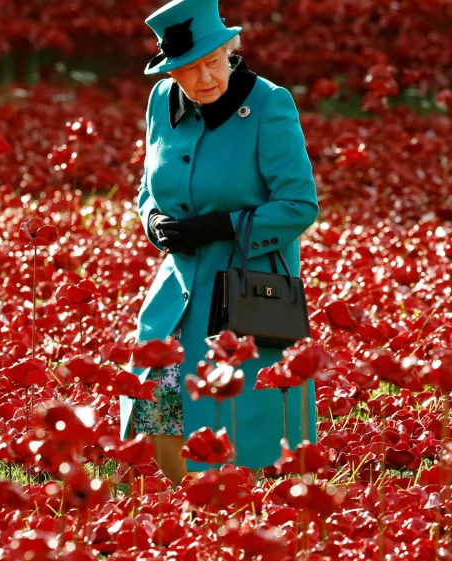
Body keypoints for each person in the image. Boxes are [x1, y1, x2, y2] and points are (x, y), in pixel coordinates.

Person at [118, 0, 320, 486]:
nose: (204, 78)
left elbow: (299, 205)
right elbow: (148, 187)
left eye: (212, 62)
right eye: (188, 70)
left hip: (246, 294)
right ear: (170, 71)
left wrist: (221, 226)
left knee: (242, 420)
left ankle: (246, 524)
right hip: (177, 290)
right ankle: (175, 509)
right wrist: (153, 221)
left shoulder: (270, 105)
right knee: (155, 402)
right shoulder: (162, 102)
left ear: (232, 52)